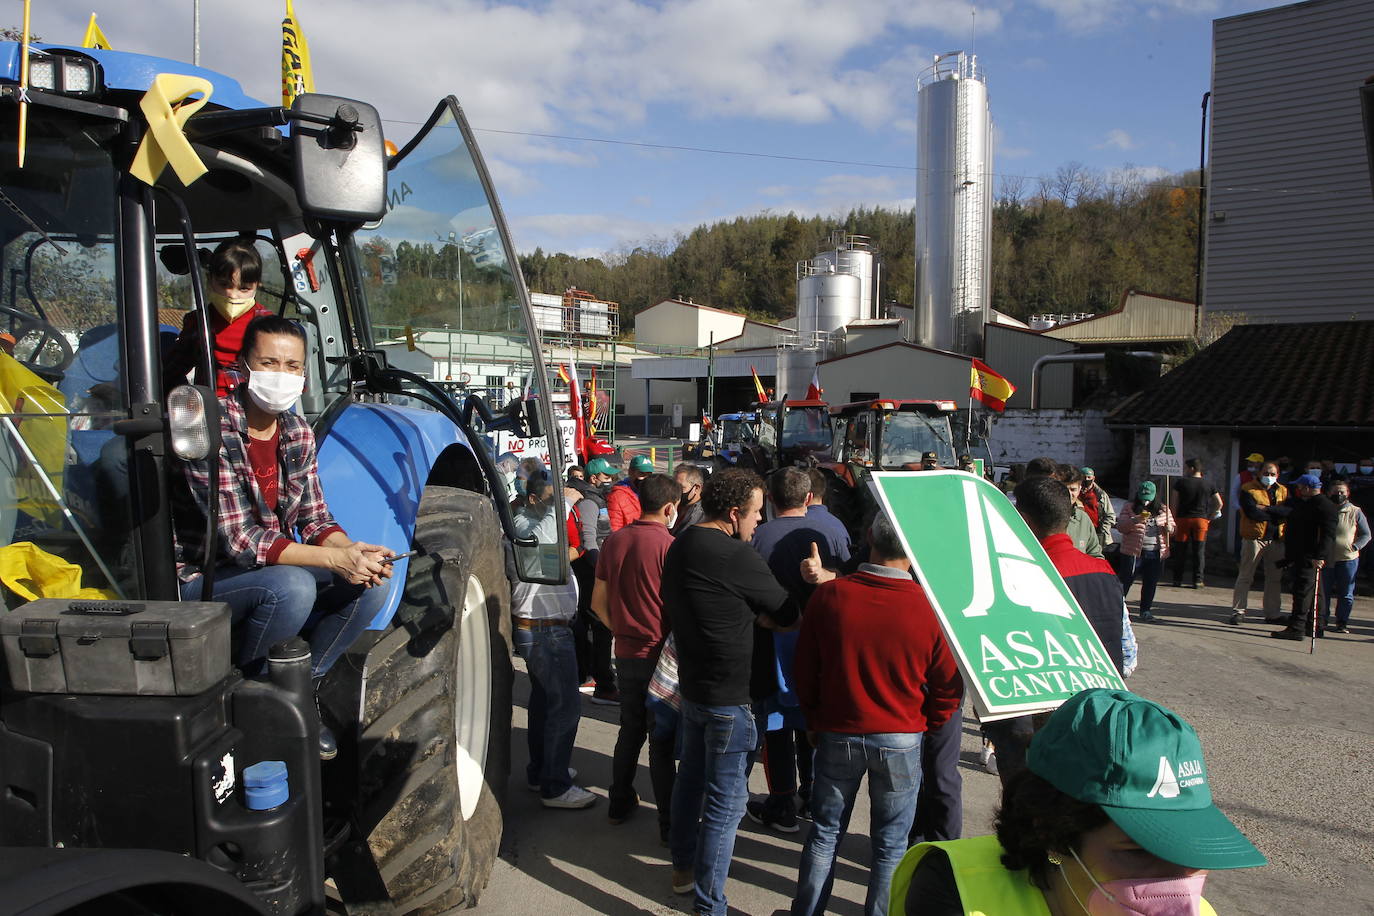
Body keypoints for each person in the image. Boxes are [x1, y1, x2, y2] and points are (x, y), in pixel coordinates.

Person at [174, 316, 393, 760]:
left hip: (262, 570)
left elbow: (315, 518)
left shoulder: (296, 431)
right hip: (203, 576)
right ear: (243, 366)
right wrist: (332, 561)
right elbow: (239, 539)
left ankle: (297, 691)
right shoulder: (209, 426)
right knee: (293, 586)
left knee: (372, 584)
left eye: (292, 366)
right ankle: (249, 695)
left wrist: (350, 551)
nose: (282, 374)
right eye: (269, 362)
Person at [894, 688, 1267, 915]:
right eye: (1136, 851)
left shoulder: (1198, 911)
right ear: (1053, 832)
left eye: (1192, 850)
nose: (1175, 881)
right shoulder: (954, 892)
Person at [791, 511, 963, 916]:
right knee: (890, 845)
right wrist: (927, 724)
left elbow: (805, 669)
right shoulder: (929, 608)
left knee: (825, 834)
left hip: (838, 732)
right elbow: (948, 687)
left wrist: (814, 721)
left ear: (869, 537)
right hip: (901, 736)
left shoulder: (832, 596)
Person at [663, 468, 799, 911]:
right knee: (725, 808)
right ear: (735, 513)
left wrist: (746, 611)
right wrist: (760, 614)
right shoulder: (737, 557)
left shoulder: (682, 542)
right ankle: (709, 905)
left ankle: (682, 866)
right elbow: (787, 610)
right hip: (729, 700)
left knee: (690, 783)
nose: (761, 522)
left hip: (696, 691)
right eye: (757, 514)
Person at [983, 477, 1129, 785]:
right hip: (1096, 713)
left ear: (1022, 519)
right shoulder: (1104, 571)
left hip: (1039, 725)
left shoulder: (1019, 575)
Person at [748, 468, 850, 834]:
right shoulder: (834, 530)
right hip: (823, 645)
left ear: (771, 500)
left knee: (775, 725)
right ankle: (810, 794)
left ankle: (782, 802)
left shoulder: (758, 536)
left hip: (775, 645)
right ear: (809, 499)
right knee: (810, 721)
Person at [591, 473, 682, 837]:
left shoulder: (614, 541)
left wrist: (620, 629)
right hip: (661, 655)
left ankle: (618, 802)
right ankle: (667, 824)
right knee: (661, 742)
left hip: (625, 651)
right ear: (670, 508)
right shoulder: (670, 546)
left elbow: (597, 602)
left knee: (630, 731)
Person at [509, 477, 597, 810]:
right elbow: (546, 539)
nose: (556, 505)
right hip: (545, 630)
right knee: (565, 707)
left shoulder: (532, 522)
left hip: (547, 628)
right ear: (532, 499)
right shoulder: (524, 525)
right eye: (550, 499)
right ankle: (555, 784)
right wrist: (566, 502)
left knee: (546, 704)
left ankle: (544, 770)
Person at [162, 237, 275, 397]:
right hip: (209, 410)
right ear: (210, 280)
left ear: (257, 285)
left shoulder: (268, 325)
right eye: (224, 285)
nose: (232, 295)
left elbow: (283, 373)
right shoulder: (198, 322)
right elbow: (173, 368)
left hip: (252, 410)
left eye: (244, 289)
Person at [569, 457, 617, 704]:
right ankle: (600, 681)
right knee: (600, 626)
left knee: (592, 625)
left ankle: (590, 674)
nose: (610, 481)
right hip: (592, 571)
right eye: (606, 477)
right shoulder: (589, 502)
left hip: (593, 568)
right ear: (593, 479)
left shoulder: (595, 498)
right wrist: (603, 571)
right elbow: (589, 541)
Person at [1271, 473, 1339, 640]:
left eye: (1300, 487)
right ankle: (1314, 625)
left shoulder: (1324, 506)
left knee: (1303, 591)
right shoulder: (1307, 504)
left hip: (1311, 556)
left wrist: (1320, 555)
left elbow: (1327, 535)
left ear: (1308, 488)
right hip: (1302, 554)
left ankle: (1297, 627)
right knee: (1316, 590)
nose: (1298, 490)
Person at [1229, 461, 1290, 626]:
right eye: (1266, 473)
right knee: (1245, 575)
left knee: (1274, 578)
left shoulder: (1283, 491)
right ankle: (1238, 611)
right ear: (1259, 473)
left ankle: (1273, 613)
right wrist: (1275, 513)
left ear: (1277, 475)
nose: (1269, 477)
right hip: (1254, 537)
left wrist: (1267, 509)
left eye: (1272, 474)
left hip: (1276, 539)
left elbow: (1287, 512)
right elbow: (1251, 512)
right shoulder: (1248, 489)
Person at [1116, 481, 1175, 623]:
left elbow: (1173, 528)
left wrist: (1170, 529)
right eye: (1143, 497)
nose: (1145, 500)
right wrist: (1135, 520)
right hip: (1134, 552)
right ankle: (1118, 609)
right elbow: (1121, 527)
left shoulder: (1163, 510)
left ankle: (1145, 610)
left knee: (1150, 582)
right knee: (1126, 581)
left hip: (1155, 552)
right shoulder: (1129, 507)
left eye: (1148, 497)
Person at [1322, 479, 1370, 634]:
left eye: (1342, 492)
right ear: (1329, 493)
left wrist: (1355, 546)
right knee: (1324, 592)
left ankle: (1342, 622)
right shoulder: (1324, 509)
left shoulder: (1355, 511)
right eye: (1336, 492)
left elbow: (1366, 534)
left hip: (1348, 559)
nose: (1339, 494)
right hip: (1326, 558)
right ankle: (1322, 620)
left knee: (1346, 594)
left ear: (1348, 493)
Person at [1170, 459, 1222, 588]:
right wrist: (1210, 516)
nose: (1185, 470)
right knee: (1199, 551)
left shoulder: (1180, 483)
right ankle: (1198, 580)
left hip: (1183, 520)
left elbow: (1174, 503)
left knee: (1180, 550)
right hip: (1201, 520)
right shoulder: (1209, 484)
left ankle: (1177, 579)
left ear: (1192, 468)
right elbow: (1219, 503)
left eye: (1186, 468)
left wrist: (1173, 519)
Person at [1061, 467, 1103, 558]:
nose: (1068, 494)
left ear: (1079, 489)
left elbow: (1095, 554)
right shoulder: (1045, 517)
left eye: (1073, 490)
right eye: (1064, 489)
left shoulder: (1083, 519)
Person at [608, 454, 653, 531]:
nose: (645, 478)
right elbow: (615, 528)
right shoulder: (618, 495)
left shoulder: (651, 492)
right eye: (641, 473)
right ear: (630, 472)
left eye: (648, 475)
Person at [1081, 467, 1116, 552]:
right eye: (1084, 477)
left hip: (1096, 532)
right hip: (1081, 531)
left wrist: (1103, 529)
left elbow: (1110, 515)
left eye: (1089, 477)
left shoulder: (1100, 494)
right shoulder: (1076, 493)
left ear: (1093, 478)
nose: (1086, 479)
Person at [673, 464, 707, 534]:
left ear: (697, 488)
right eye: (674, 486)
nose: (676, 491)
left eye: (681, 487)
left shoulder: (701, 514)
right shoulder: (675, 506)